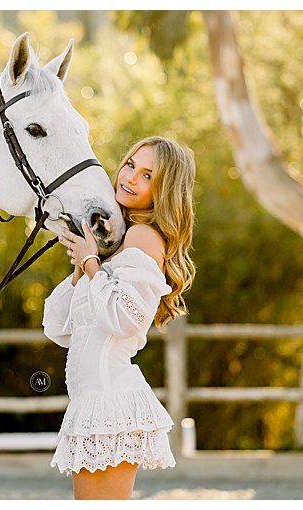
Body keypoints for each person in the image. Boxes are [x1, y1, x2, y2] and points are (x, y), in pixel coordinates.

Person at [44, 136, 197, 499]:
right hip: (91, 402)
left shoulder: (144, 237)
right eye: (130, 164)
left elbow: (125, 319)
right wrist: (84, 267)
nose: (130, 178)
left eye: (147, 176)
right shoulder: (118, 243)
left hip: (111, 399)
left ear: (163, 190)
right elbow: (57, 326)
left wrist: (90, 262)